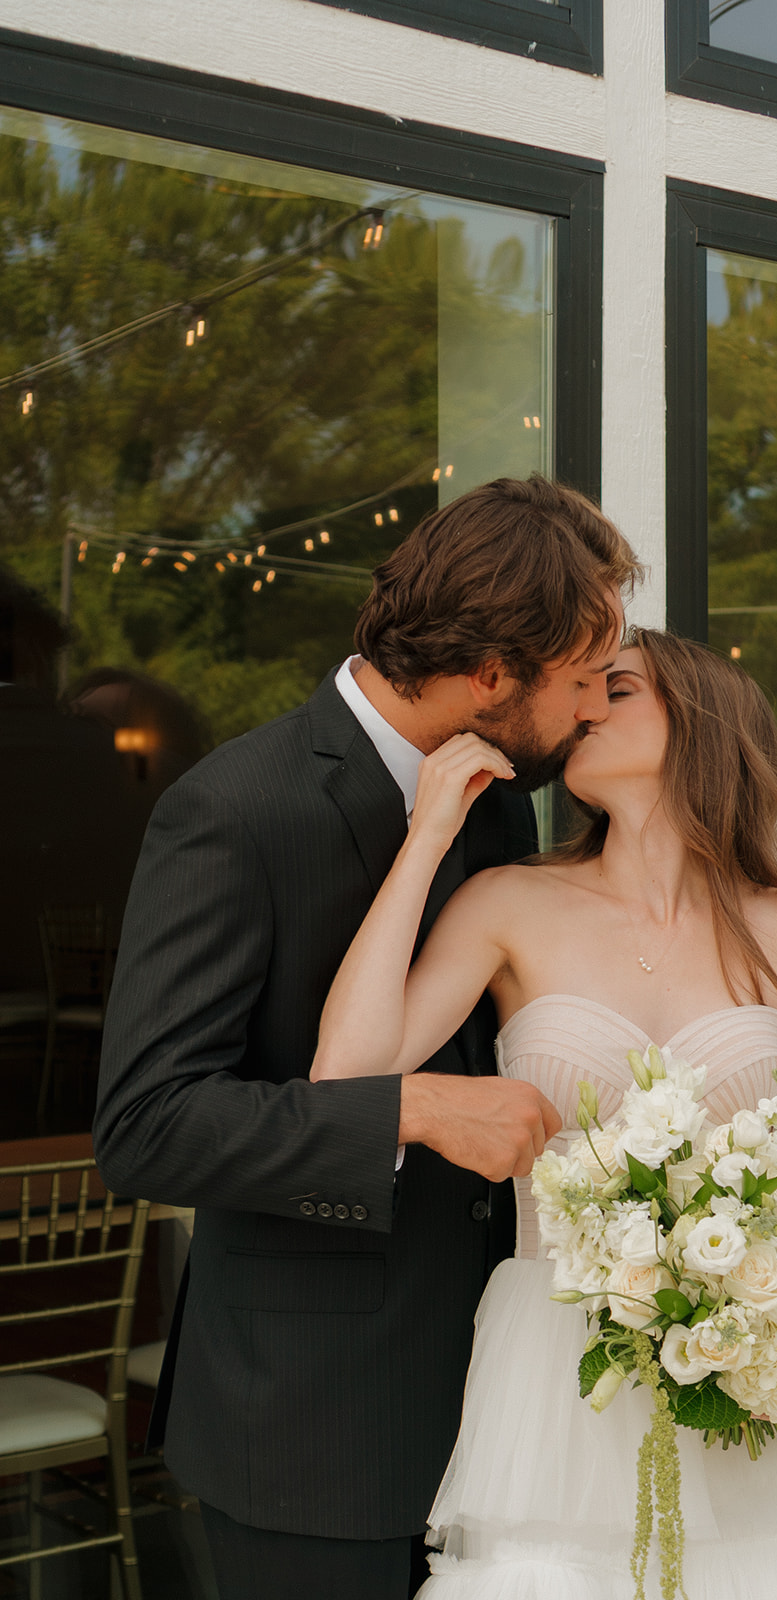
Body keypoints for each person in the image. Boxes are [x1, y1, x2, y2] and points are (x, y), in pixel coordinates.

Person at [312, 629, 777, 1599]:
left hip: (744, 1376)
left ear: (698, 726)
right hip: (556, 1373)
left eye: (615, 688)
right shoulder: (508, 902)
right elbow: (346, 1069)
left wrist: (766, 1320)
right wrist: (425, 839)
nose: (582, 706)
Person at [93, 475, 641, 1600]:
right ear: (491, 674)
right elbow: (147, 1125)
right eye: (583, 680)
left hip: (506, 1412)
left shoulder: (501, 803)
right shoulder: (234, 809)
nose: (594, 709)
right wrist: (418, 1107)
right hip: (311, 1426)